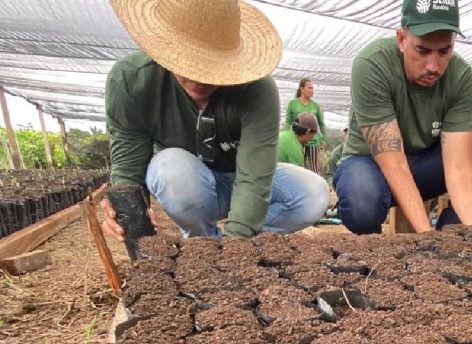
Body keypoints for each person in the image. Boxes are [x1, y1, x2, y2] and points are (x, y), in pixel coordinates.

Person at [100, 0, 329, 240]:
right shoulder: (132, 82)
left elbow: (253, 177)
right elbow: (129, 169)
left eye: (211, 66)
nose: (199, 78)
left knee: (313, 194)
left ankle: (233, 247)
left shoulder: (257, 90)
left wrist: (235, 244)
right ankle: (202, 242)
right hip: (190, 185)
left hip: (241, 176)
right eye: (188, 62)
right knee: (169, 168)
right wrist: (128, 215)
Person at [333, 0, 472, 235]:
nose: (433, 66)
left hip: (424, 165)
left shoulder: (461, 77)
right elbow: (395, 164)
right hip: (372, 166)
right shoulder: (373, 65)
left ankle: (455, 235)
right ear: (401, 39)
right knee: (361, 198)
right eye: (422, 50)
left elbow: (459, 166)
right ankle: (377, 249)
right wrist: (425, 238)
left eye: (444, 51)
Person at [284, 79, 328, 173]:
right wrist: (286, 136)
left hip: (313, 143)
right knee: (298, 169)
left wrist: (323, 139)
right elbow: (288, 122)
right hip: (298, 141)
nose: (312, 90)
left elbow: (321, 124)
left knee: (315, 170)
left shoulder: (315, 105)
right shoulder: (293, 103)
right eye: (309, 88)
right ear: (302, 89)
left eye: (312, 88)